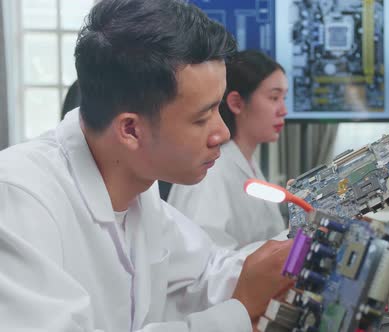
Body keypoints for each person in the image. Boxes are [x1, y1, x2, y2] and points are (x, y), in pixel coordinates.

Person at [0, 0, 292, 331]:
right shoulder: (18, 199)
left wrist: (299, 250)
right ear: (130, 130)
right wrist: (235, 316)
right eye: (202, 117)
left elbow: (206, 274)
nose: (223, 132)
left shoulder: (138, 186)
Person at [168, 50, 289, 249]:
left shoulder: (246, 163)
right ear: (236, 103)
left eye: (284, 98)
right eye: (274, 98)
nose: (284, 110)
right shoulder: (210, 172)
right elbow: (206, 264)